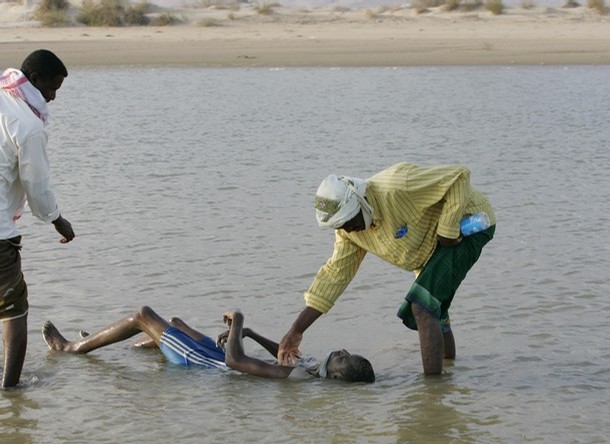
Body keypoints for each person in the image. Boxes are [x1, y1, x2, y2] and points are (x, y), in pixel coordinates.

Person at [278, 162, 495, 375]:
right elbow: (335, 275)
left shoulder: (398, 185)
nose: (349, 230)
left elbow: (459, 177)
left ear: (360, 203)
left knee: (421, 306)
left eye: (349, 221)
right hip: (429, 247)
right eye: (340, 226)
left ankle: (432, 395)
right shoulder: (349, 232)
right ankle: (449, 370)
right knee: (434, 311)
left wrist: (447, 231)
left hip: (468, 225)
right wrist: (296, 330)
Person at [42, 306, 375, 382]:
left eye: (344, 359)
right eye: (346, 353)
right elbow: (282, 353)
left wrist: (240, 322)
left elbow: (235, 363)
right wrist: (248, 334)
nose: (343, 352)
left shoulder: (298, 380)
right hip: (217, 353)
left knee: (142, 315)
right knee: (174, 324)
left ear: (337, 378)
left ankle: (71, 348)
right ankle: (106, 341)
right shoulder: (314, 368)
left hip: (206, 363)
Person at [0, 49, 75, 388]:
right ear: (35, 79)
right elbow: (36, 185)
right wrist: (57, 219)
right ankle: (12, 392)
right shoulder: (29, 125)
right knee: (14, 311)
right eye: (51, 88)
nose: (53, 97)